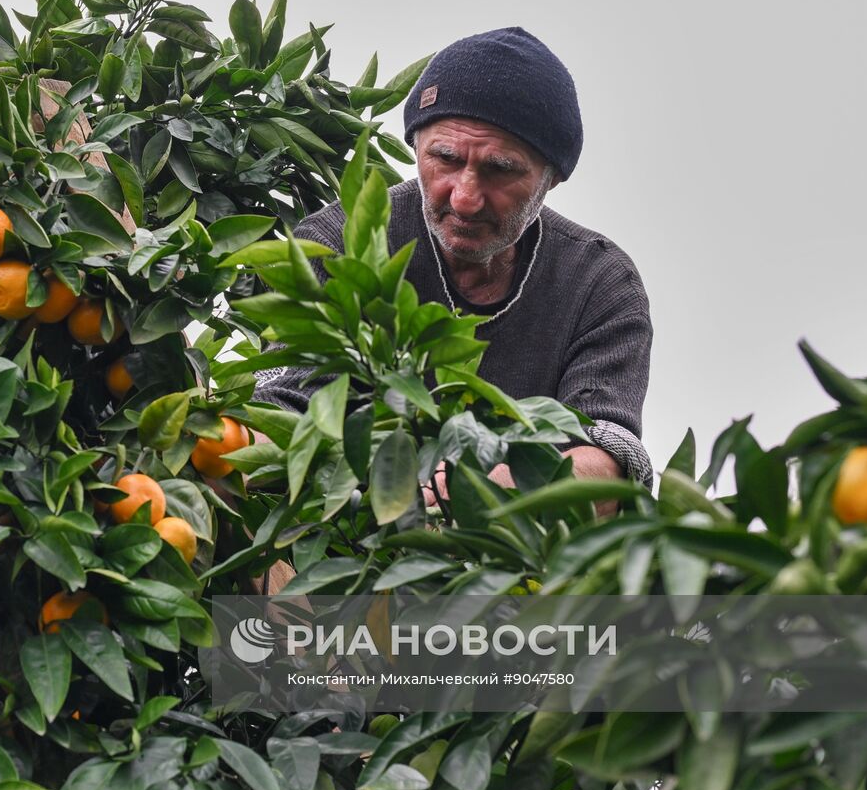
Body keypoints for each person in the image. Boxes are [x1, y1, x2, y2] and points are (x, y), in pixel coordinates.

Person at [254, 27, 654, 508]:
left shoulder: (599, 284)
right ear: (416, 148)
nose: (464, 198)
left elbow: (609, 455)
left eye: (500, 169)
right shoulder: (334, 244)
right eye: (444, 158)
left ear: (553, 178)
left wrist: (494, 487)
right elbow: (282, 405)